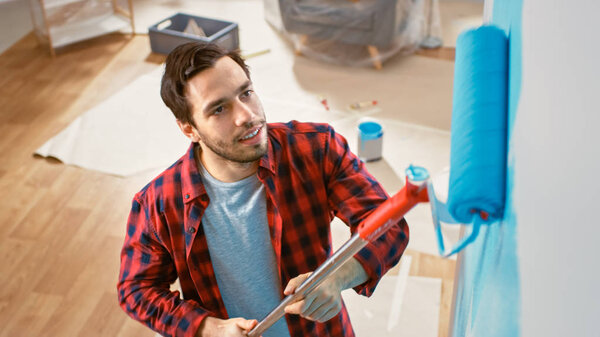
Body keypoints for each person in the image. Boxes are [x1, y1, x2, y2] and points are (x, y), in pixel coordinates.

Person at [117, 42, 409, 337]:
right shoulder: (158, 203)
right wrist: (208, 328)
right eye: (219, 109)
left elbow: (389, 224)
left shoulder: (317, 148)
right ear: (189, 129)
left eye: (246, 93)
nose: (246, 116)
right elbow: (136, 289)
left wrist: (336, 278)